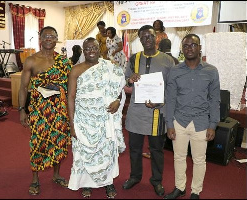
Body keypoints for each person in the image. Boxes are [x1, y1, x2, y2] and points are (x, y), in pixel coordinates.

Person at [67, 37, 126, 199]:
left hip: (105, 119)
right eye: (87, 48)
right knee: (84, 153)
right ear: (83, 51)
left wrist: (118, 101)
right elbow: (71, 97)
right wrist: (72, 125)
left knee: (107, 151)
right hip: (84, 120)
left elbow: (120, 87)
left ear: (99, 49)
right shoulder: (76, 70)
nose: (91, 51)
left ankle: (108, 182)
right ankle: (86, 183)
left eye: (94, 47)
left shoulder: (109, 67)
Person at [164, 34, 220, 199]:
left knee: (199, 160)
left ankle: (196, 191)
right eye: (186, 45)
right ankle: (180, 187)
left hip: (201, 122)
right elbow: (170, 99)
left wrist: (213, 124)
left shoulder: (211, 71)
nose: (189, 48)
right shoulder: (175, 71)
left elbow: (214, 100)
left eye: (193, 45)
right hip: (179, 121)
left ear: (199, 47)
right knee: (179, 157)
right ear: (182, 49)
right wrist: (169, 124)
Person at [18, 26, 72, 196]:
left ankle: (56, 175)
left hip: (59, 110)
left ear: (57, 39)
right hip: (39, 110)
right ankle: (35, 178)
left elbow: (72, 86)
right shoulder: (31, 60)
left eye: (52, 36)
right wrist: (21, 110)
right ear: (40, 39)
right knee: (38, 143)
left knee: (58, 141)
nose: (49, 38)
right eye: (46, 36)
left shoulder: (64, 61)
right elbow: (23, 88)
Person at [122, 25, 175, 197]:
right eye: (143, 37)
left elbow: (173, 88)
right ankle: (135, 177)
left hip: (157, 114)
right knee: (135, 149)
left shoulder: (167, 60)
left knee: (157, 151)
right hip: (137, 113)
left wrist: (161, 102)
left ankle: (157, 181)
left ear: (156, 37)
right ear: (140, 39)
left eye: (150, 36)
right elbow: (126, 82)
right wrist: (130, 79)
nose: (147, 39)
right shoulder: (134, 58)